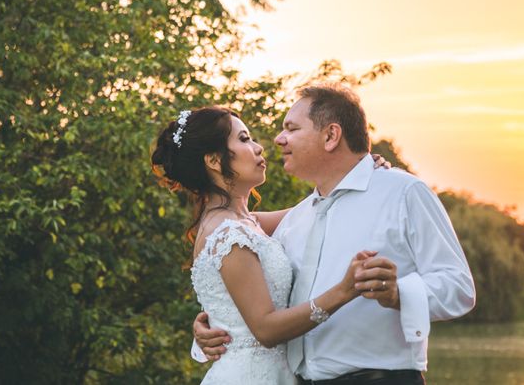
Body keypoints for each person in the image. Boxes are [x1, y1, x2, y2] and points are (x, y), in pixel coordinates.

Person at [194, 84, 476, 385]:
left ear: (330, 136)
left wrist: (399, 294)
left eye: (291, 128)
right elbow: (249, 284)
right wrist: (211, 324)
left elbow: (459, 287)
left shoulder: (404, 193)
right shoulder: (295, 219)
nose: (278, 139)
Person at [152, 106, 379, 385]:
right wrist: (344, 291)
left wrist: (357, 169)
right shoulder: (229, 235)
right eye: (244, 139)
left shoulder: (247, 222)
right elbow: (266, 329)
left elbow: (320, 207)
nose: (259, 148)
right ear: (213, 160)